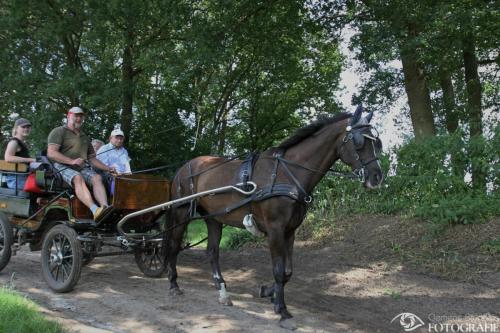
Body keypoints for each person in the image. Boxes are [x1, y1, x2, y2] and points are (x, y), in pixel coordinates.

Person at [47, 106, 115, 220]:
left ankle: (104, 208)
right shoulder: (59, 131)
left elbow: (92, 159)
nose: (79, 118)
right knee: (78, 178)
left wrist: (108, 168)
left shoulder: (85, 137)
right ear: (69, 116)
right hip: (61, 166)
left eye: (81, 116)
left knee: (97, 177)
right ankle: (95, 210)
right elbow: (51, 153)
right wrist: (71, 161)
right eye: (76, 115)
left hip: (80, 167)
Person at [4, 118, 36, 189]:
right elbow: (8, 157)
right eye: (23, 127)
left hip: (23, 177)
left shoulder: (22, 143)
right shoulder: (14, 142)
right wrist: (31, 160)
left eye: (28, 127)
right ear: (16, 129)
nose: (26, 129)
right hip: (17, 180)